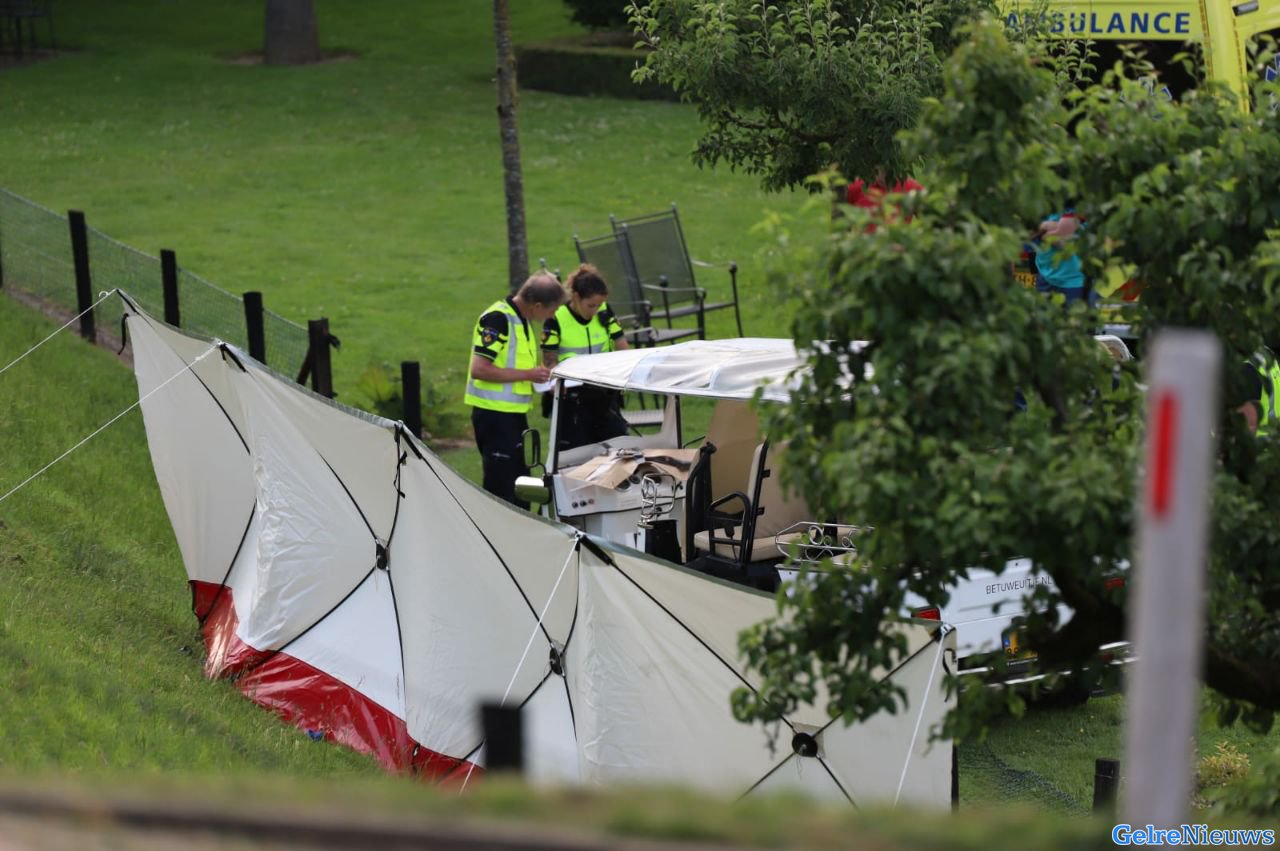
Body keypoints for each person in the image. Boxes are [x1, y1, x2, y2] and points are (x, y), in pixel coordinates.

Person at [464, 273, 566, 507]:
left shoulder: (522, 321)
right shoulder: (499, 319)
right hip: (494, 416)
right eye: (552, 310)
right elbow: (479, 369)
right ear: (538, 305)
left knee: (520, 486)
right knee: (502, 489)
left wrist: (540, 378)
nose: (552, 316)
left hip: (512, 416)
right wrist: (528, 375)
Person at [541, 263, 630, 450]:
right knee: (576, 453)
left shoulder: (604, 311)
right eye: (590, 305)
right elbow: (549, 360)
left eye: (598, 305)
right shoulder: (556, 317)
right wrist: (553, 382)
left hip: (604, 393)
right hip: (573, 398)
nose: (595, 310)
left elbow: (621, 344)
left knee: (619, 446)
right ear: (575, 297)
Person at [1033, 210, 1098, 307]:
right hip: (1046, 279)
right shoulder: (1048, 209)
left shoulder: (1087, 212)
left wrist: (1054, 232)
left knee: (1077, 319)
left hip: (1075, 282)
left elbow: (1060, 237)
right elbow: (1044, 227)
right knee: (1040, 319)